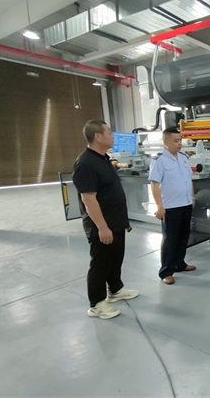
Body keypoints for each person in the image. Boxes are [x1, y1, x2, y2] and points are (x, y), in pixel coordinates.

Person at [73, 120, 139, 319]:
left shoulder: (103, 159)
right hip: (102, 224)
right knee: (100, 264)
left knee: (115, 258)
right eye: (109, 132)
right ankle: (96, 304)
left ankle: (115, 289)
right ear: (98, 136)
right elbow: (88, 198)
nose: (113, 136)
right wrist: (102, 227)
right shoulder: (85, 163)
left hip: (116, 221)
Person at [148, 127, 197, 285]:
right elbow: (155, 185)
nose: (179, 143)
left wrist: (192, 196)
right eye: (176, 141)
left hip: (185, 203)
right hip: (170, 207)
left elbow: (188, 179)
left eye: (180, 140)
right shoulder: (159, 160)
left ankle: (179, 263)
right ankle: (166, 271)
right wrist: (159, 207)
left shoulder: (183, 158)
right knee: (170, 240)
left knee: (183, 236)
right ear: (165, 142)